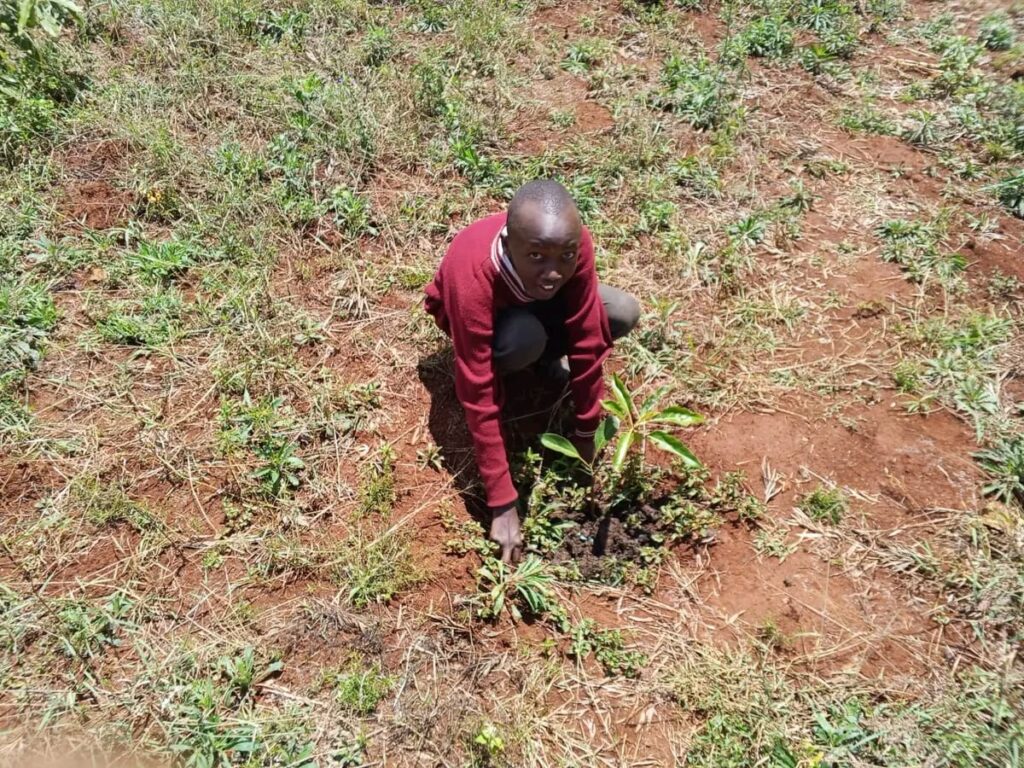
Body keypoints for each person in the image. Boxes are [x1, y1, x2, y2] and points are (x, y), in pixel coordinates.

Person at [424, 180, 640, 562]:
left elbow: (588, 338)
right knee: (522, 340)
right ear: (509, 244)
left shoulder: (574, 246)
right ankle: (524, 362)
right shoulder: (473, 273)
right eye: (537, 256)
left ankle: (541, 358)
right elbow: (476, 390)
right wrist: (503, 501)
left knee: (620, 311)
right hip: (494, 321)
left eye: (565, 257)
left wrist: (585, 434)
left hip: (534, 306)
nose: (554, 273)